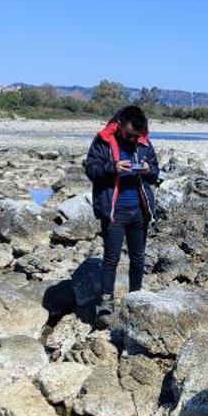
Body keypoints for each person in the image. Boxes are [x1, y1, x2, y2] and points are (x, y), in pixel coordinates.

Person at [83, 105, 160, 321]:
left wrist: (147, 169)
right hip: (114, 211)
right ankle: (106, 302)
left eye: (136, 135)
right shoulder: (104, 140)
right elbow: (91, 170)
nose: (132, 139)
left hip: (140, 211)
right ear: (119, 125)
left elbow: (155, 172)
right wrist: (113, 168)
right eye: (128, 134)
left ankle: (135, 299)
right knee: (111, 258)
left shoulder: (144, 142)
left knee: (138, 258)